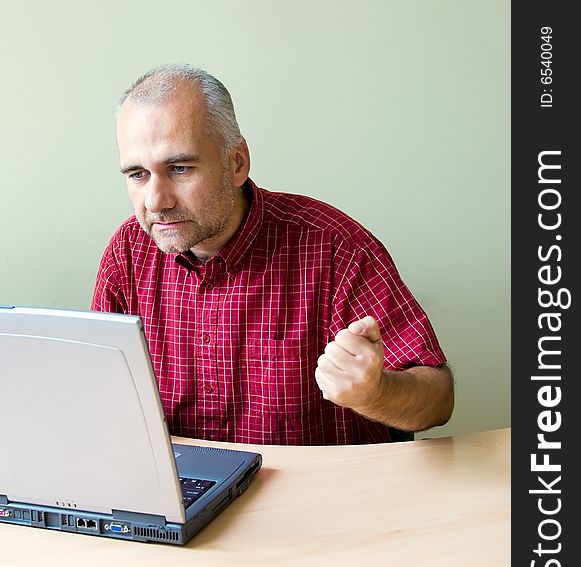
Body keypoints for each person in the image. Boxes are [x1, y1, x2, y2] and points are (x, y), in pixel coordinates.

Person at [92, 63, 454, 445]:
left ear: (237, 163)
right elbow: (99, 393)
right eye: (137, 174)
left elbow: (438, 399)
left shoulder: (335, 248)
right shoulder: (127, 254)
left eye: (180, 168)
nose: (156, 201)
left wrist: (375, 393)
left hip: (318, 496)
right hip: (187, 495)